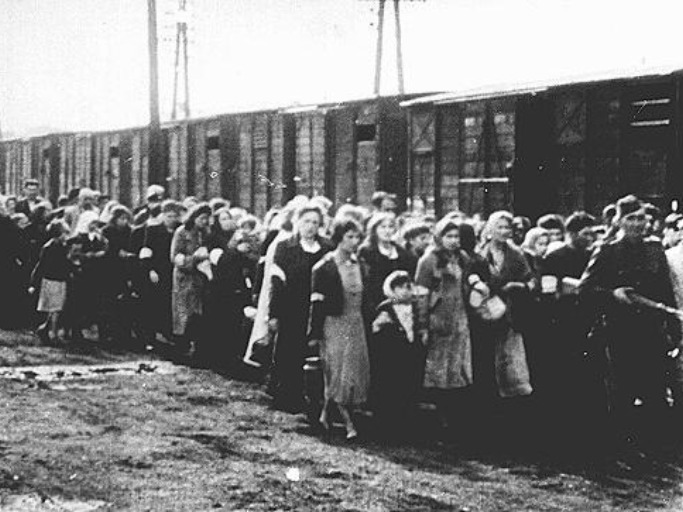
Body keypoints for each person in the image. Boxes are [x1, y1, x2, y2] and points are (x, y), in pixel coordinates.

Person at [580, 195, 681, 448]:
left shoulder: (654, 249)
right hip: (619, 329)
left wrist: (674, 329)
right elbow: (585, 289)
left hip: (652, 328)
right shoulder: (608, 250)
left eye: (641, 218)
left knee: (655, 388)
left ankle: (657, 447)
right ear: (619, 221)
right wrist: (612, 294)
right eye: (631, 218)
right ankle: (622, 447)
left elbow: (665, 290)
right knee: (622, 390)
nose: (637, 224)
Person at [415, 217, 479, 434]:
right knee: (439, 372)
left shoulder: (463, 258)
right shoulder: (429, 260)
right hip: (439, 320)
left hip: (460, 320)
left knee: (459, 369)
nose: (453, 241)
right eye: (448, 236)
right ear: (439, 237)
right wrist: (423, 325)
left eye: (456, 236)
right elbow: (421, 295)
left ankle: (458, 419)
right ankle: (441, 421)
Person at [309, 219, 370, 440]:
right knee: (336, 372)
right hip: (334, 324)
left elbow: (368, 296)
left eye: (357, 237)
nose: (354, 242)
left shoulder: (360, 264)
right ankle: (348, 423)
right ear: (339, 238)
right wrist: (314, 333)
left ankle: (325, 415)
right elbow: (316, 304)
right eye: (349, 237)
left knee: (352, 372)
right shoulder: (324, 267)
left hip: (356, 324)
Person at [269, 204, 332, 412]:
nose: (310, 226)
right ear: (297, 222)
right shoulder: (285, 247)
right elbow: (277, 283)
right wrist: (274, 313)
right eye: (306, 221)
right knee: (289, 351)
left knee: (314, 352)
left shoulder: (327, 248)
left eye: (315, 222)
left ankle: (314, 399)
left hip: (318, 308)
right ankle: (287, 395)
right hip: (291, 307)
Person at [372, 270, 427, 438]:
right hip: (392, 356)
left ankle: (408, 426)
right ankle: (388, 427)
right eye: (400, 287)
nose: (405, 291)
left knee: (410, 389)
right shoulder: (386, 307)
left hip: (410, 354)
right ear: (392, 289)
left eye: (408, 287)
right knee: (391, 390)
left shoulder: (415, 306)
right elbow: (377, 331)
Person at [131, 200, 181, 345]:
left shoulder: (179, 230)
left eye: (174, 216)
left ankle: (169, 333)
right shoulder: (153, 230)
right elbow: (146, 252)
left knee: (169, 304)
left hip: (173, 271)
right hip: (157, 271)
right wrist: (150, 270)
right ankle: (149, 337)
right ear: (163, 216)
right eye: (169, 216)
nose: (172, 219)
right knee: (152, 303)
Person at [170, 203, 212, 357]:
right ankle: (180, 348)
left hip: (201, 278)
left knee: (198, 313)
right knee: (183, 313)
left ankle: (196, 349)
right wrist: (194, 259)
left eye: (207, 219)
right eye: (202, 218)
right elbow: (175, 256)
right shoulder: (182, 232)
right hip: (184, 278)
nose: (204, 222)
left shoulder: (206, 233)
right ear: (194, 217)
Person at [65, 210, 108, 341]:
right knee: (79, 303)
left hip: (97, 274)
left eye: (96, 223)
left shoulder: (100, 237)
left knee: (97, 303)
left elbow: (105, 249)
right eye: (92, 223)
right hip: (81, 274)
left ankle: (101, 333)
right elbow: (72, 255)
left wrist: (102, 251)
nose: (94, 226)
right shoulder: (78, 237)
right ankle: (75, 331)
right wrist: (88, 256)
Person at [30, 220, 72, 344]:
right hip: (52, 279)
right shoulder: (49, 247)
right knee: (54, 309)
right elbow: (41, 265)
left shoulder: (63, 246)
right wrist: (33, 283)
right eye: (65, 233)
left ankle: (45, 329)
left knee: (56, 309)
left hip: (60, 279)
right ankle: (52, 333)